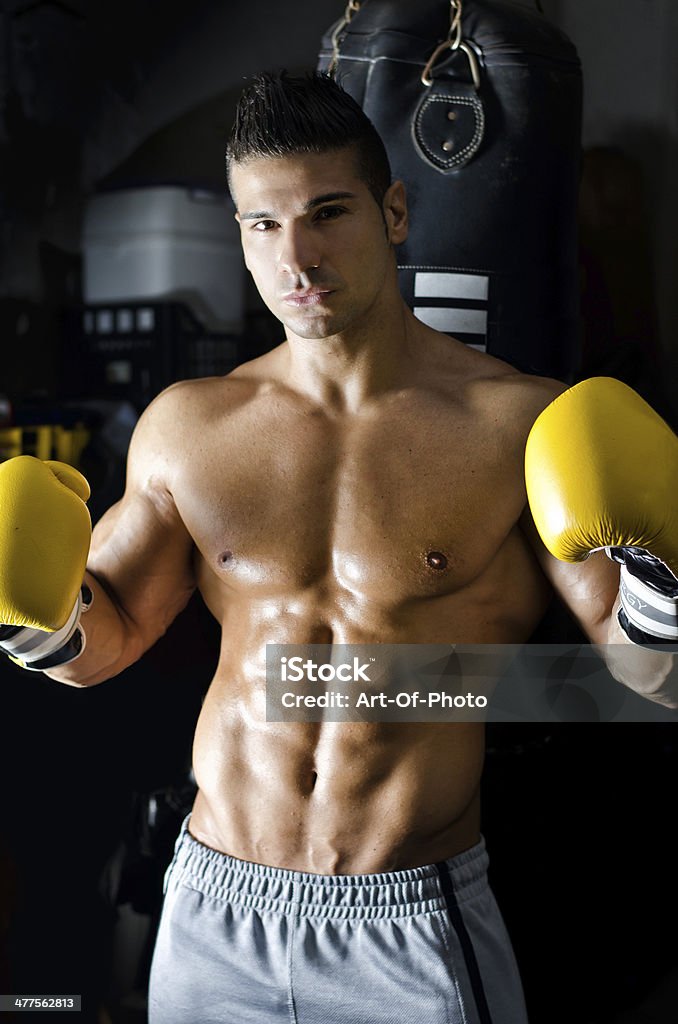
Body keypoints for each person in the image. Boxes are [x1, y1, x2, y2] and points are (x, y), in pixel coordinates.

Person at [1, 71, 677, 1024]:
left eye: (328, 212)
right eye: (264, 225)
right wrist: (24, 617)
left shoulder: (517, 424)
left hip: (407, 922)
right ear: (239, 237)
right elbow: (97, 646)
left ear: (395, 211)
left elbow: (653, 676)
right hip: (212, 904)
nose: (299, 256)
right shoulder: (188, 427)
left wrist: (668, 578)